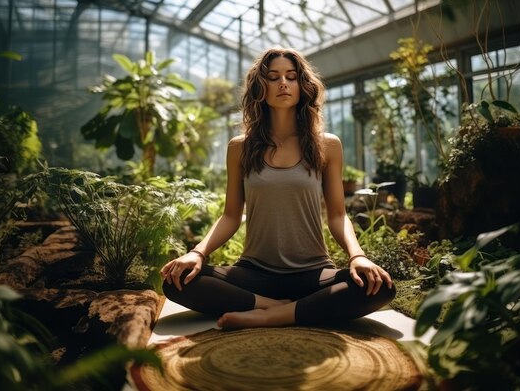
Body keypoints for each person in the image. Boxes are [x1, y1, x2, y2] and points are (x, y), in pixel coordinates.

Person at [160, 47, 395, 329]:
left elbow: (337, 215)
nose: (283, 83)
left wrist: (358, 257)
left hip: (313, 274)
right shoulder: (240, 148)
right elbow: (231, 216)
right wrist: (197, 253)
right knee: (178, 282)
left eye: (291, 76)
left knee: (379, 287)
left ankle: (272, 315)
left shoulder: (327, 145)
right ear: (261, 87)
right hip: (254, 273)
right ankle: (276, 307)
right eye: (273, 77)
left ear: (302, 85)